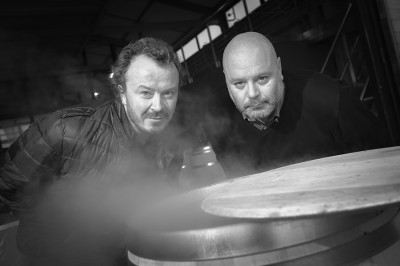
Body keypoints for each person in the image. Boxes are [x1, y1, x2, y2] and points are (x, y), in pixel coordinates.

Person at [0, 37, 185, 266]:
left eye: (168, 93)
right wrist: (58, 233)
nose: (158, 106)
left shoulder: (171, 144)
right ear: (122, 93)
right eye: (146, 93)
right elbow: (9, 181)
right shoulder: (66, 130)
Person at [220, 31, 390, 177]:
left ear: (279, 69)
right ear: (227, 82)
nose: (252, 94)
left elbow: (386, 164)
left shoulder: (331, 100)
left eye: (262, 78)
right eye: (239, 84)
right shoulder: (221, 127)